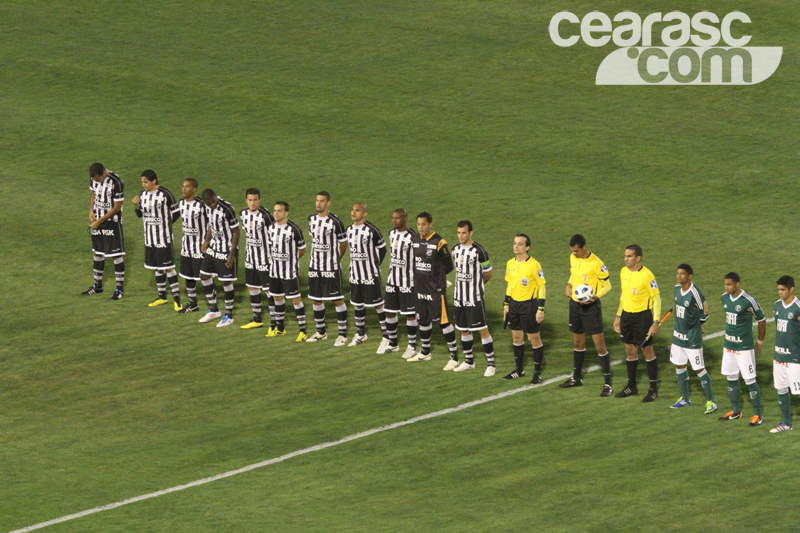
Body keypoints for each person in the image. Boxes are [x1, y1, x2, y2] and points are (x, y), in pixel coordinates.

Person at [561, 234, 613, 396]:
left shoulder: (597, 263)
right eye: (572, 251)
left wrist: (595, 297)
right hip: (575, 305)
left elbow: (608, 285)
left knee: (599, 345)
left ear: (584, 247)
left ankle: (608, 383)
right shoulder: (573, 258)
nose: (574, 253)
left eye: (576, 251)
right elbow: (574, 274)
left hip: (591, 308)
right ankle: (576, 377)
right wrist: (569, 285)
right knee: (577, 343)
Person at [407, 212, 460, 366]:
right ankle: (425, 352)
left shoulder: (439, 242)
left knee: (443, 322)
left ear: (430, 224)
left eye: (424, 224)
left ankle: (454, 357)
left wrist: (439, 280)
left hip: (435, 290)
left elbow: (449, 265)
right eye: (418, 224)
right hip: (420, 288)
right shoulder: (414, 239)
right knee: (423, 320)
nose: (421, 227)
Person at [613, 244, 661, 402]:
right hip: (627, 316)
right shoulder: (623, 272)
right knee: (629, 350)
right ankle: (631, 386)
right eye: (625, 256)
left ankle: (653, 389)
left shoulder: (647, 275)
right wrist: (618, 316)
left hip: (643, 317)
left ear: (638, 258)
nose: (625, 259)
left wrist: (655, 322)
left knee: (647, 350)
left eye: (629, 256)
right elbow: (623, 295)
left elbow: (656, 298)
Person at [718, 272, 766, 425]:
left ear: (737, 284)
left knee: (750, 380)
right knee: (731, 378)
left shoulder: (748, 300)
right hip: (729, 346)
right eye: (725, 284)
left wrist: (759, 342)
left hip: (744, 347)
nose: (726, 287)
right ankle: (736, 412)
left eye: (729, 284)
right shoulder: (724, 298)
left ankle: (758, 415)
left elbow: (762, 320)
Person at [669, 264, 716, 413]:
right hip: (678, 337)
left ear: (690, 276)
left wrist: (697, 325)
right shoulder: (677, 289)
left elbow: (705, 313)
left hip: (692, 340)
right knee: (679, 366)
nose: (679, 276)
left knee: (699, 368)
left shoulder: (695, 293)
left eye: (682, 274)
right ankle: (684, 398)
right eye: (677, 273)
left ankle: (711, 402)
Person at [451, 220, 496, 377]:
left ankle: (491, 364)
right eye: (458, 232)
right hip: (459, 297)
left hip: (474, 297)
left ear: (471, 233)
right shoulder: (455, 250)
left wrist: (477, 285)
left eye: (464, 233)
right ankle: (469, 361)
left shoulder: (480, 251)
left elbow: (488, 272)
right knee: (464, 329)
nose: (460, 236)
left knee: (482, 329)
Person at [132, 170, 182, 310]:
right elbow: (140, 215)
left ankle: (177, 300)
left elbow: (177, 212)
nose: (143, 185)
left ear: (154, 181)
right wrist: (136, 206)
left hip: (163, 238)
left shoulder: (165, 194)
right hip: (149, 239)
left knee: (168, 267)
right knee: (157, 267)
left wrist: (166, 224)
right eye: (142, 182)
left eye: (146, 182)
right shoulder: (143, 195)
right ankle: (162, 297)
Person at [305, 191, 349, 345]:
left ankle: (342, 334)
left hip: (330, 267)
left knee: (337, 299)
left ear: (328, 203)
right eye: (317, 201)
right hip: (314, 266)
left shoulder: (335, 222)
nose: (318, 204)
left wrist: (336, 259)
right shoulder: (311, 219)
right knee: (316, 299)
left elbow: (343, 242)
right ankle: (320, 332)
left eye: (322, 201)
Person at [502, 234, 546, 383]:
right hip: (514, 305)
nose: (516, 246)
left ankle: (537, 373)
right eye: (514, 243)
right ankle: (519, 370)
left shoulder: (534, 265)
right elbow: (510, 285)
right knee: (516, 337)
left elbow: (542, 286)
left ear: (527, 247)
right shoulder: (510, 263)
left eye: (520, 244)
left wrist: (540, 309)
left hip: (529, 305)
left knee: (533, 338)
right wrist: (506, 305)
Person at [345, 202, 388, 346]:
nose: (353, 213)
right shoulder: (349, 230)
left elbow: (382, 249)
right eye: (352, 210)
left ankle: (387, 335)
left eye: (357, 210)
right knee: (358, 304)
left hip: (370, 274)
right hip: (355, 274)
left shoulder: (372, 230)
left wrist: (374, 265)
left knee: (378, 304)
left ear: (365, 214)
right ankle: (360, 334)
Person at [83, 162, 125, 300]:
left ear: (104, 174)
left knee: (116, 254)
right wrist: (91, 210)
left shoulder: (116, 182)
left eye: (97, 179)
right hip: (97, 221)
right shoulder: (94, 178)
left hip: (112, 222)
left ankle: (119, 289)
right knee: (97, 252)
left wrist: (99, 222)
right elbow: (93, 194)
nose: (95, 181)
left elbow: (117, 207)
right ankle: (98, 285)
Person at [380, 209, 419, 358]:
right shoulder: (392, 234)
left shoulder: (413, 237)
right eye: (393, 218)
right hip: (392, 280)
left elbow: (418, 259)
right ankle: (393, 343)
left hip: (407, 282)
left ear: (405, 219)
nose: (394, 220)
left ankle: (411, 346)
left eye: (397, 218)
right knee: (389, 311)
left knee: (410, 315)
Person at [198, 189, 240, 327]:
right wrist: (206, 241)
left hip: (226, 249)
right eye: (209, 203)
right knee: (204, 275)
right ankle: (214, 309)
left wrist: (231, 254)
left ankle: (229, 315)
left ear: (216, 197)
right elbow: (211, 224)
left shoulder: (227, 209)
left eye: (214, 202)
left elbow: (236, 232)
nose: (212, 205)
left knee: (226, 282)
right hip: (214, 247)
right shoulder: (207, 207)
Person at [266, 201, 307, 341]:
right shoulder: (270, 228)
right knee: (277, 298)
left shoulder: (294, 230)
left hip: (289, 272)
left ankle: (303, 330)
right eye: (275, 210)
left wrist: (291, 261)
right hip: (274, 271)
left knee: (295, 300)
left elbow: (302, 250)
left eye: (279, 211)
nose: (276, 213)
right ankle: (280, 328)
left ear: (286, 213)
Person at [240, 188, 275, 330]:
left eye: (255, 200)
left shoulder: (266, 216)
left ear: (259, 200)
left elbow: (273, 236)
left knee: (269, 290)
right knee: (252, 287)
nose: (252, 203)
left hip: (265, 260)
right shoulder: (243, 214)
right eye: (250, 200)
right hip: (250, 259)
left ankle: (275, 321)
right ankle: (257, 318)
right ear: (246, 200)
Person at [770, 276, 800, 433]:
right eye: (778, 290)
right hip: (779, 356)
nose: (780, 293)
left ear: (791, 289)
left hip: (795, 358)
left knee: (798, 391)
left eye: (783, 290)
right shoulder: (776, 306)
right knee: (781, 389)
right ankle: (786, 424)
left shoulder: (798, 307)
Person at [177, 178, 208, 313]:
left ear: (194, 189)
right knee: (188, 276)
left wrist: (207, 242)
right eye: (183, 186)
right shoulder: (181, 203)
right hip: (186, 247)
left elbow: (212, 223)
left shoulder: (202, 205)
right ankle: (193, 303)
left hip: (200, 247)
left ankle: (212, 306)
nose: (184, 189)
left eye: (187, 187)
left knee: (205, 276)